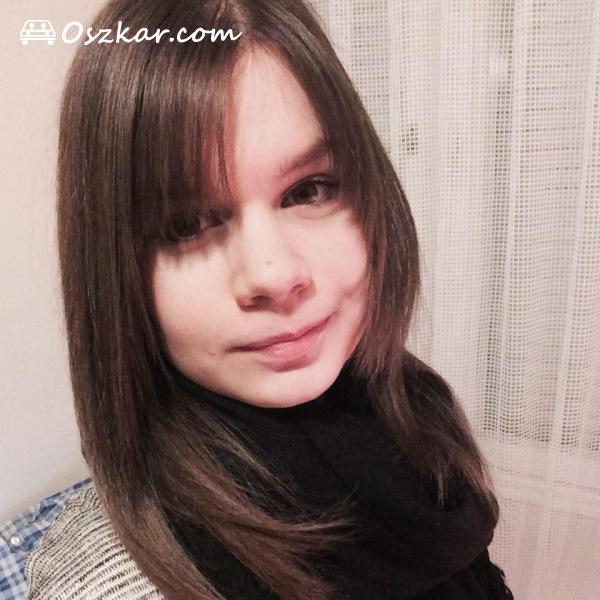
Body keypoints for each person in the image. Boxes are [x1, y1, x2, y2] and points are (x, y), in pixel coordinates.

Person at [9, 0, 515, 598]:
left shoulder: (415, 405)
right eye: (186, 225)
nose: (274, 275)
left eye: (309, 190)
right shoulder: (105, 582)